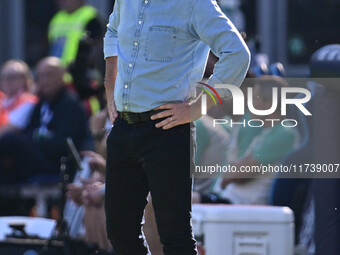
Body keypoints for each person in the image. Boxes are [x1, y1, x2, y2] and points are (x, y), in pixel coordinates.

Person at [104, 1, 250, 254]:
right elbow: (113, 32)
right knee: (120, 234)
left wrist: (197, 108)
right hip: (123, 128)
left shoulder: (195, 3)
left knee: (175, 237)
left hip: (169, 130)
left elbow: (238, 54)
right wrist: (109, 84)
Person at [0, 57, 89, 184]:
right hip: (35, 157)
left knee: (9, 139)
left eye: (49, 75)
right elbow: (29, 129)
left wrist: (35, 141)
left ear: (62, 76)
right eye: (40, 76)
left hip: (56, 165)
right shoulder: (41, 102)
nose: (44, 81)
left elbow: (62, 144)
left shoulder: (70, 105)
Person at [0, 60, 38, 136]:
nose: (7, 81)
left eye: (12, 77)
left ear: (24, 79)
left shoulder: (28, 101)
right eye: (3, 77)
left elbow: (10, 129)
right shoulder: (2, 99)